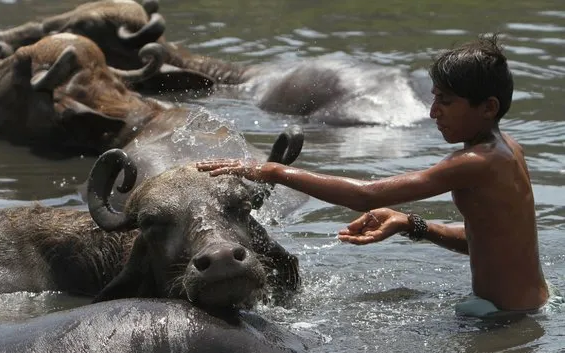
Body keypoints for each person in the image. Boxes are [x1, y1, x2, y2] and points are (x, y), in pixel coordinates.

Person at [197, 35, 556, 318]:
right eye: (434, 99)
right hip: (526, 307)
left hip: (506, 318)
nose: (433, 112)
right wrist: (410, 224)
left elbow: (367, 196)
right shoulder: (508, 149)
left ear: (488, 107)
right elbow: (492, 240)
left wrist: (273, 170)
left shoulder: (476, 161)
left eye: (445, 102)